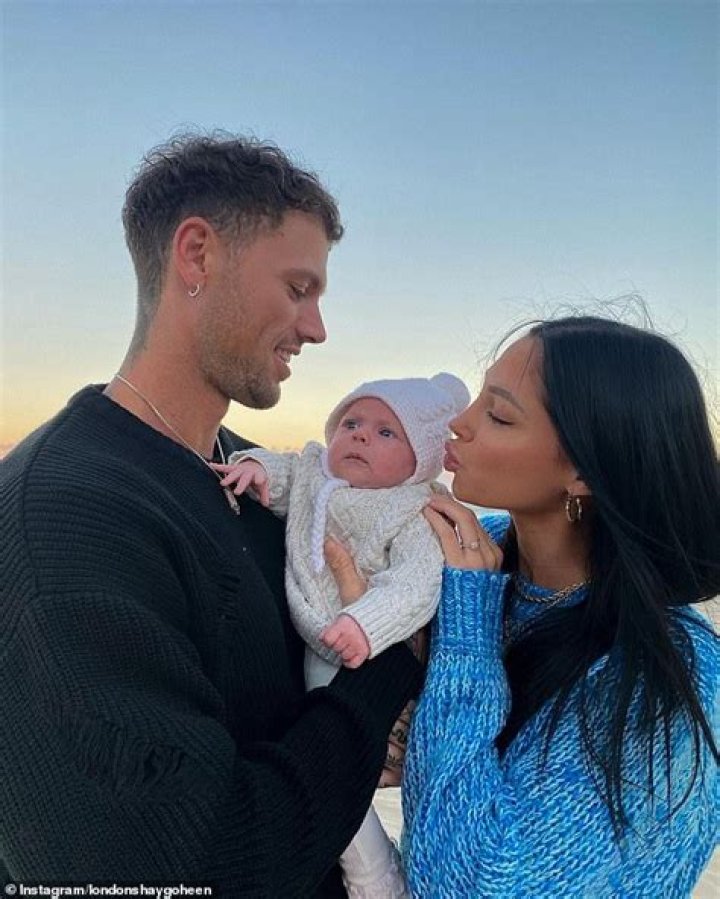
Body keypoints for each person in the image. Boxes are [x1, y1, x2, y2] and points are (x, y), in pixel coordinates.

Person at [0, 133, 423, 894]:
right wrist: (377, 680)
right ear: (197, 255)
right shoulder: (60, 522)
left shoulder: (260, 479)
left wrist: (369, 738)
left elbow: (276, 706)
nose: (317, 328)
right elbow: (190, 865)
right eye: (299, 288)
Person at [392, 316, 718, 896]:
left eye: (498, 415)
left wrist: (467, 633)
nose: (457, 425)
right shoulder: (476, 551)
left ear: (581, 471)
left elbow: (472, 884)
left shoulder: (677, 672)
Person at [214, 373, 470, 897]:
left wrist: (366, 624)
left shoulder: (414, 511)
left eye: (385, 434)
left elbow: (416, 585)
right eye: (351, 423)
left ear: (420, 459)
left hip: (362, 647)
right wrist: (255, 468)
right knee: (332, 774)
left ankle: (377, 878)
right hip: (317, 635)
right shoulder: (316, 473)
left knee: (338, 778)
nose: (359, 436)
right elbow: (284, 473)